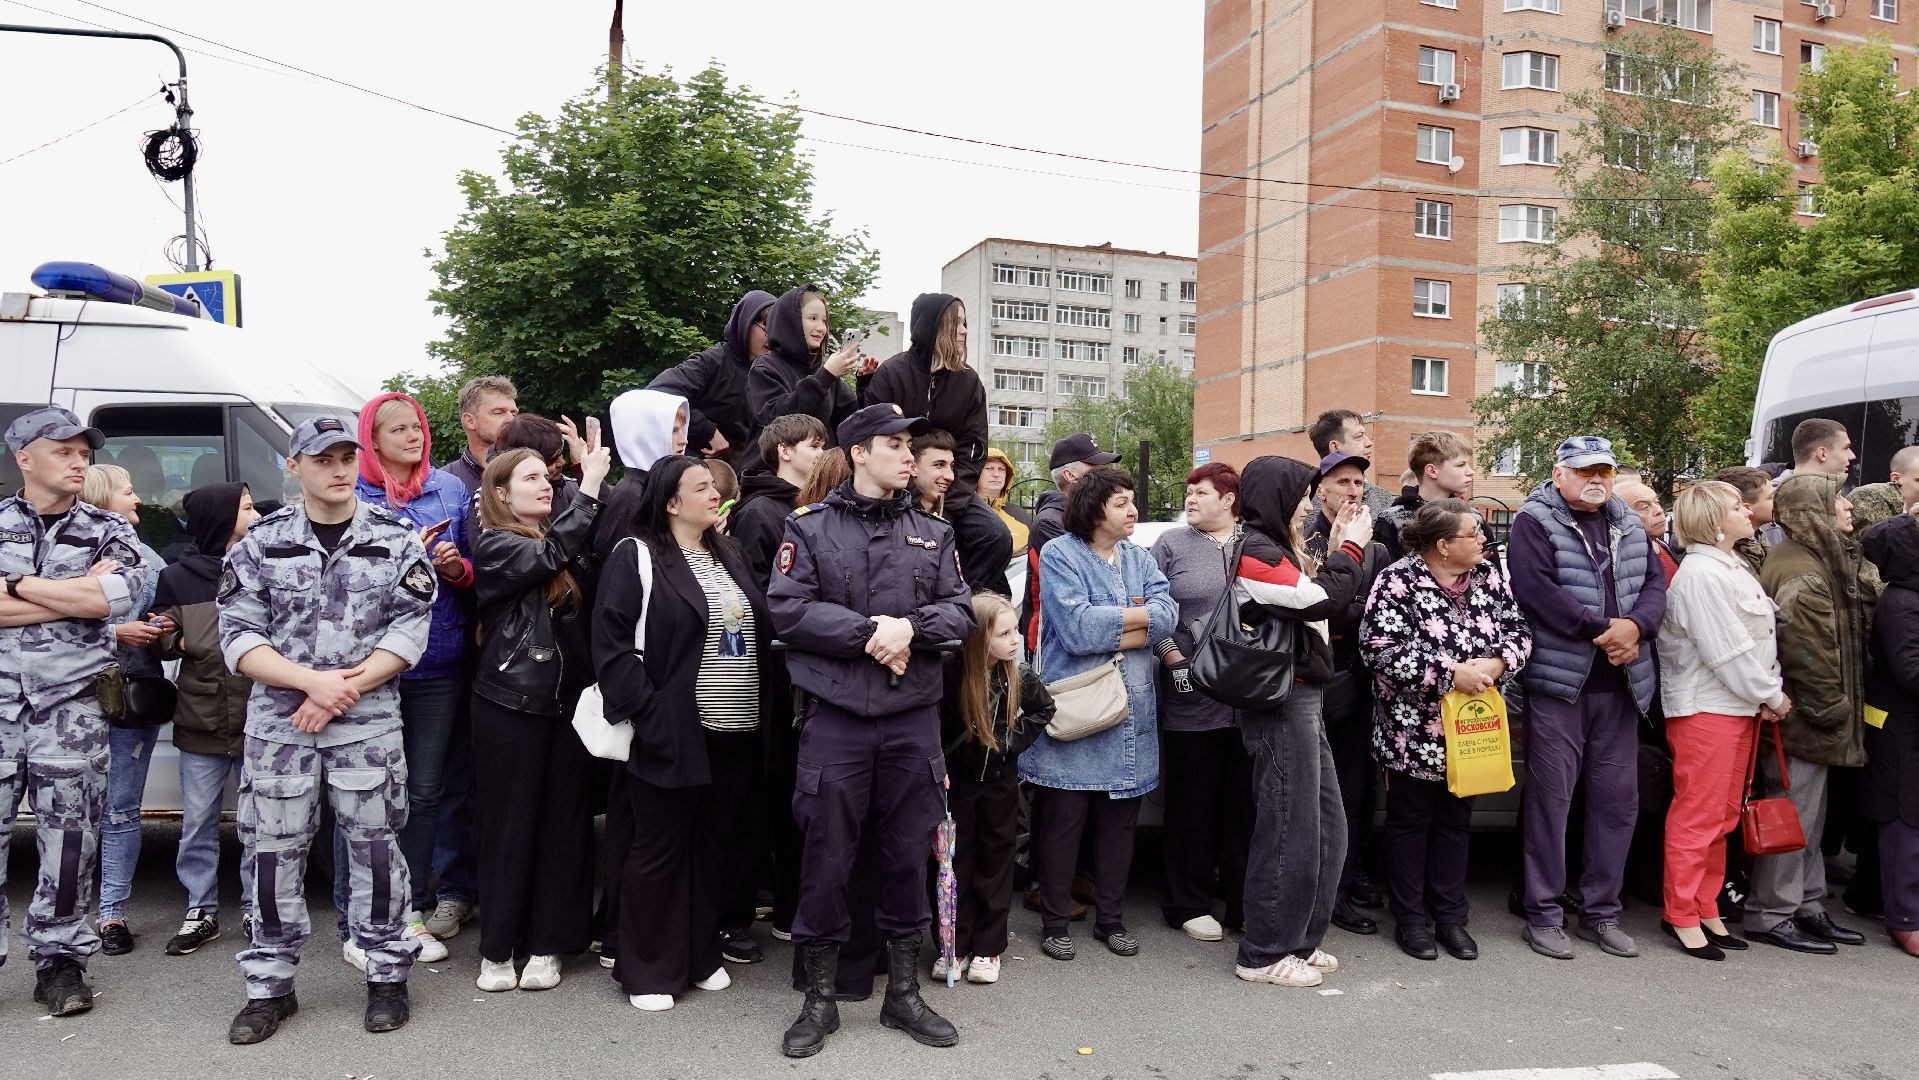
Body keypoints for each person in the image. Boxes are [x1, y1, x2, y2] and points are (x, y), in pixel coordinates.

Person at [218, 417, 435, 1044]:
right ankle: (269, 987)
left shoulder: (395, 538)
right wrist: (312, 685)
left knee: (375, 850)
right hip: (282, 726)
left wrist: (341, 690)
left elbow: (407, 631)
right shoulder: (259, 544)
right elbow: (238, 637)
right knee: (270, 854)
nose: (339, 469)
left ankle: (387, 977)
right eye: (323, 459)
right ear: (294, 466)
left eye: (348, 456)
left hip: (365, 723)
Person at [767, 403, 975, 1058]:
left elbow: (961, 612)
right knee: (826, 859)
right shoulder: (809, 527)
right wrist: (869, 635)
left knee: (905, 855)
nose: (907, 455)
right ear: (858, 452)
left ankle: (904, 996)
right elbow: (788, 610)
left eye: (909, 445)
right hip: (838, 721)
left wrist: (908, 629)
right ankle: (819, 1000)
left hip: (911, 721)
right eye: (894, 444)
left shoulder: (933, 533)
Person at [594, 454, 772, 1012]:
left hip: (735, 729)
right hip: (671, 728)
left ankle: (698, 955)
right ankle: (647, 968)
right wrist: (648, 715)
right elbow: (613, 645)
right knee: (660, 847)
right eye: (700, 487)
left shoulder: (728, 551)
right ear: (672, 501)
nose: (713, 493)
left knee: (709, 846)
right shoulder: (638, 554)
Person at [0, 407, 150, 1016]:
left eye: (83, 451)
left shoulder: (111, 531)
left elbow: (115, 598)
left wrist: (13, 587)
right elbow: (88, 601)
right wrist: (73, 598)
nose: (78, 459)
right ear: (24, 458)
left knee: (70, 841)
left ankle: (60, 963)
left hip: (71, 709)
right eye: (62, 449)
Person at [1507, 435, 1668, 961]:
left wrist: (1637, 628)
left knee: (1617, 805)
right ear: (1559, 474)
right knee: (1551, 802)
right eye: (1584, 471)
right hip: (1561, 685)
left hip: (1620, 685)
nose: (1595, 480)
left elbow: (1653, 587)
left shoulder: (1626, 520)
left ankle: (1602, 912)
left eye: (1604, 471)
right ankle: (1545, 914)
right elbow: (1535, 591)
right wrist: (1605, 630)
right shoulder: (1535, 521)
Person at [335, 393, 475, 968]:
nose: (413, 435)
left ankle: (411, 909)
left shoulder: (448, 489)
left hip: (438, 658)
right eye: (397, 428)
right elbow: (338, 582)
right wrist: (400, 560)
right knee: (362, 791)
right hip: (369, 666)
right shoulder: (353, 491)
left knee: (424, 792)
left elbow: (473, 571)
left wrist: (451, 565)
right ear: (371, 438)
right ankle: (352, 916)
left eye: (417, 425)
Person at [470, 437, 612, 992]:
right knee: (507, 827)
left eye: (547, 476)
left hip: (570, 706)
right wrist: (592, 488)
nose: (544, 484)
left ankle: (550, 945)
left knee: (564, 825)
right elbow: (546, 557)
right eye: (529, 478)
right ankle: (498, 948)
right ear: (500, 493)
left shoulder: (571, 538)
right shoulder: (496, 544)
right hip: (510, 702)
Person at [1362, 498, 1531, 962]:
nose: (1483, 539)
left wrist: (1498, 663)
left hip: (1474, 730)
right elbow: (1378, 650)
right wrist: (1448, 674)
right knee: (1410, 823)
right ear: (1442, 545)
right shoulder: (1397, 581)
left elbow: (1519, 631)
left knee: (1457, 823)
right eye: (1473, 533)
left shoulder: (1489, 578)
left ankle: (1452, 917)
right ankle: (1411, 919)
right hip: (1412, 732)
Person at [1022, 465, 1176, 963]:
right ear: (1093, 508)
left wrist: (1132, 621)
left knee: (1119, 824)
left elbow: (1169, 615)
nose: (1133, 510)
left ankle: (1112, 919)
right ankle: (1053, 922)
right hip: (1079, 710)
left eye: (1133, 500)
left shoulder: (1138, 556)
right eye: (1120, 502)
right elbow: (1078, 631)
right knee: (1064, 823)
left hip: (1131, 713)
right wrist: (1141, 621)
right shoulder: (1061, 553)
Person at [1227, 455, 1369, 988]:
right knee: (1288, 826)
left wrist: (1336, 553)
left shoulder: (1279, 547)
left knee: (1326, 824)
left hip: (1305, 697)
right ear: (1278, 498)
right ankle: (1264, 951)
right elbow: (1322, 601)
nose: (1309, 503)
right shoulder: (1257, 549)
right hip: (1280, 702)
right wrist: (1349, 548)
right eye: (1303, 494)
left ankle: (1301, 941)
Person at [1655, 481, 1786, 961]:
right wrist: (1771, 694)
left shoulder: (1728, 566)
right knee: (1699, 815)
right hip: (1708, 710)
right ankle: (1681, 913)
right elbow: (1726, 651)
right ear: (1712, 520)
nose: (1746, 510)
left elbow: (1753, 644)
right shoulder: (1702, 575)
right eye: (1736, 506)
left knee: (1723, 816)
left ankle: (1705, 906)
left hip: (1736, 708)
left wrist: (1763, 696)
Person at [1750, 473, 1869, 953]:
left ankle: (1807, 904)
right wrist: (1834, 710)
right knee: (1793, 816)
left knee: (1809, 818)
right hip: (1805, 719)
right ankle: (1772, 913)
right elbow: (1808, 654)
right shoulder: (1802, 569)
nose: (1846, 506)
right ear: (1813, 511)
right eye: (1834, 499)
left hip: (1810, 717)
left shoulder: (1814, 557)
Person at [151, 482, 260, 956]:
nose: (257, 515)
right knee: (197, 821)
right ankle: (201, 909)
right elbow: (156, 633)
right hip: (200, 714)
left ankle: (260, 909)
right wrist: (177, 640)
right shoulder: (177, 577)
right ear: (219, 517)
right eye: (247, 507)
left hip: (260, 716)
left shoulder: (264, 563)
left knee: (261, 823)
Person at [1148, 463, 1251, 942]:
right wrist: (1171, 657)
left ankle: (1241, 899)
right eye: (1187, 492)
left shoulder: (1255, 542)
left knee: (1243, 804)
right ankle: (1186, 902)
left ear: (1229, 499)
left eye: (1201, 492)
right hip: (1190, 693)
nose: (1190, 499)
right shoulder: (1170, 545)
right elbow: (1151, 604)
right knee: (1191, 802)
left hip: (1248, 696)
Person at [938, 592, 1055, 985]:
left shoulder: (1018, 673)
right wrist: (938, 763)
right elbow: (930, 722)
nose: (1016, 640)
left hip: (1000, 782)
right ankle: (953, 945)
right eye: (1004, 633)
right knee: (954, 862)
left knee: (996, 859)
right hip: (957, 785)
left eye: (1015, 630)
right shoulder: (949, 673)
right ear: (977, 638)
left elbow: (1044, 709)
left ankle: (988, 947)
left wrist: (1007, 745)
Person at [860, 293, 1011, 595]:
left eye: (966, 323)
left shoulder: (968, 382)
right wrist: (912, 493)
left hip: (952, 489)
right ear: (933, 328)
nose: (965, 331)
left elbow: (974, 445)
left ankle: (957, 602)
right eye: (957, 324)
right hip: (897, 491)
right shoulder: (892, 373)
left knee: (995, 537)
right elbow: (873, 434)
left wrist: (950, 499)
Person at [81, 463, 170, 957]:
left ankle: (111, 913)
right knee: (73, 811)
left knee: (120, 808)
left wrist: (163, 626)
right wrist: (116, 631)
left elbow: (164, 618)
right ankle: (70, 910)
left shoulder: (148, 558)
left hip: (131, 697)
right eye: (129, 491)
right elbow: (36, 621)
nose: (138, 500)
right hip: (69, 697)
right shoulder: (63, 557)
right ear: (102, 499)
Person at [1304, 451, 1393, 935]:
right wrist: (1345, 609)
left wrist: (1345, 611)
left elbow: (1381, 616)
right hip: (1309, 681)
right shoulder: (1304, 539)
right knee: (1307, 793)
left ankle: (1340, 891)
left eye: (1359, 483)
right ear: (1320, 489)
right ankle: (1308, 892)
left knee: (1354, 792)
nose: (1353, 493)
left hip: (1358, 682)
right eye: (1343, 483)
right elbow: (1318, 609)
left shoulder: (1376, 547)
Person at [1861, 495, 1919, 957]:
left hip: (1905, 721)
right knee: (1904, 816)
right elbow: (1910, 672)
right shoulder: (1903, 601)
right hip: (1902, 723)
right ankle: (1905, 917)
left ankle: (1872, 897)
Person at [743, 285, 862, 475]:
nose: (821, 328)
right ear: (791, 322)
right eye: (812, 319)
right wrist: (825, 376)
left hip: (818, 477)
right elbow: (778, 421)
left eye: (824, 321)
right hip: (771, 477)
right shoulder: (765, 367)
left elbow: (853, 418)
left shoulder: (823, 371)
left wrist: (865, 383)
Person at [648, 289, 779, 460]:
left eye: (777, 329)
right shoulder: (713, 361)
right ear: (745, 323)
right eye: (766, 326)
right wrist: (707, 431)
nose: (772, 336)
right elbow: (659, 391)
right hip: (700, 469)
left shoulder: (772, 371)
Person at [1023, 433, 1122, 647]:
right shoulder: (1050, 522)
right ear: (1070, 475)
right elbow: (1095, 578)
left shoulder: (1088, 517)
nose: (1105, 475)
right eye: (1096, 468)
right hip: (1055, 645)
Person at [591, 388, 689, 566]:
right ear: (646, 436)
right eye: (673, 431)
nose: (684, 440)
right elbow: (619, 573)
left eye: (682, 429)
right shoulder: (630, 498)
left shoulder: (661, 486)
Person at [730, 414, 828, 584]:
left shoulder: (822, 503)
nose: (822, 454)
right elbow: (753, 585)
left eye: (822, 447)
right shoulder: (756, 513)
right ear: (784, 451)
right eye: (814, 446)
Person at [1377, 431, 1479, 562]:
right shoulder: (1392, 519)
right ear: (1432, 471)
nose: (1471, 472)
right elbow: (1382, 576)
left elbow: (1491, 575)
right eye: (1461, 465)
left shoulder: (1473, 517)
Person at [1307, 409, 1396, 517]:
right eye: (1358, 437)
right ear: (1335, 446)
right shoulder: (1304, 505)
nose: (1369, 443)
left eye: (1358, 483)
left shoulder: (1382, 499)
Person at [442, 375, 520, 495]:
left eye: (514, 413)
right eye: (498, 412)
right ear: (470, 421)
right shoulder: (444, 482)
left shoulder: (536, 472)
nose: (511, 419)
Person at [1713, 466, 1777, 577]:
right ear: (1746, 508)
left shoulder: (1759, 538)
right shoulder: (1728, 553)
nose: (1778, 499)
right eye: (1771, 497)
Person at [1617, 479, 1679, 581]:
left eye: (1657, 502)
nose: (1659, 510)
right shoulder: (1620, 563)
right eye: (1644, 507)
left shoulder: (1661, 545)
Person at [978, 447, 1031, 555]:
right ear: (977, 473)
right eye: (989, 468)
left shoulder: (1019, 515)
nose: (996, 474)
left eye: (1001, 469)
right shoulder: (963, 512)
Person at [1791, 417, 1856, 481]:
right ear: (1822, 454)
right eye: (1846, 448)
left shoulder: (1785, 489)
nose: (1852, 456)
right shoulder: (1793, 491)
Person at [910, 430, 956, 517]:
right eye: (939, 465)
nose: (950, 477)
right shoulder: (892, 517)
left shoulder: (961, 520)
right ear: (912, 468)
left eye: (951, 466)